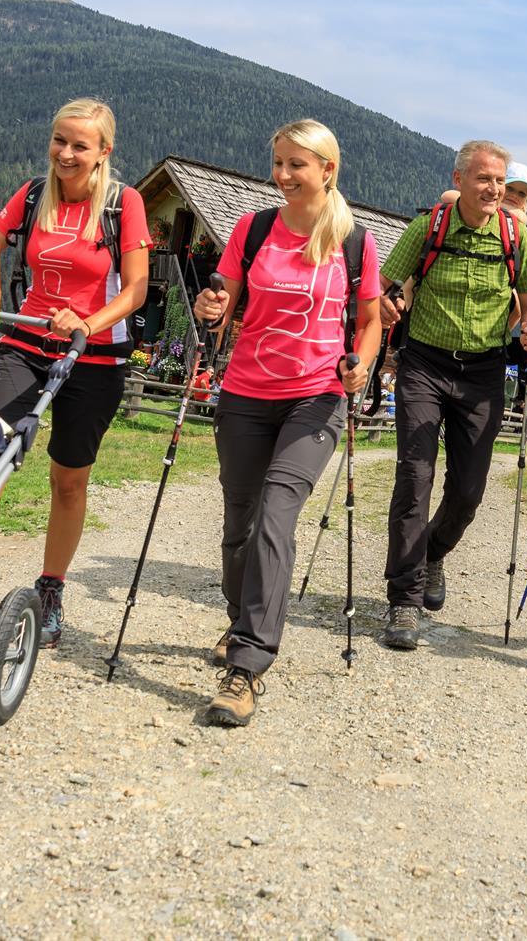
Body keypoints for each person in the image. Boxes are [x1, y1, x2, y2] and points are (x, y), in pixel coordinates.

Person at [191, 120, 380, 726]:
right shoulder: (253, 229)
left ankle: (247, 665)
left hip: (316, 398)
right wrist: (211, 305)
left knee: (276, 515)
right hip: (246, 392)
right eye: (278, 162)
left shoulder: (354, 242)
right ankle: (241, 617)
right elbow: (221, 303)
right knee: (240, 525)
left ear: (327, 169)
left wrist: (361, 364)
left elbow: (370, 323)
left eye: (296, 164)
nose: (282, 175)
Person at [0, 98, 152, 647]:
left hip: (95, 355)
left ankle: (51, 587)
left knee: (69, 478)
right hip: (26, 342)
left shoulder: (123, 204)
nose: (66, 153)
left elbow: (135, 289)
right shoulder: (34, 195)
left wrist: (87, 322)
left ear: (103, 151)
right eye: (60, 140)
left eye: (80, 145)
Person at [376, 140, 527, 650]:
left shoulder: (515, 236)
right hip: (425, 365)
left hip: (483, 372)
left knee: (468, 491)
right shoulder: (428, 227)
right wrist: (386, 304)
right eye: (484, 179)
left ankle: (432, 552)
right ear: (459, 179)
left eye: (500, 180)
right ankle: (404, 599)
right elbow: (384, 285)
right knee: (414, 476)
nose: (494, 189)